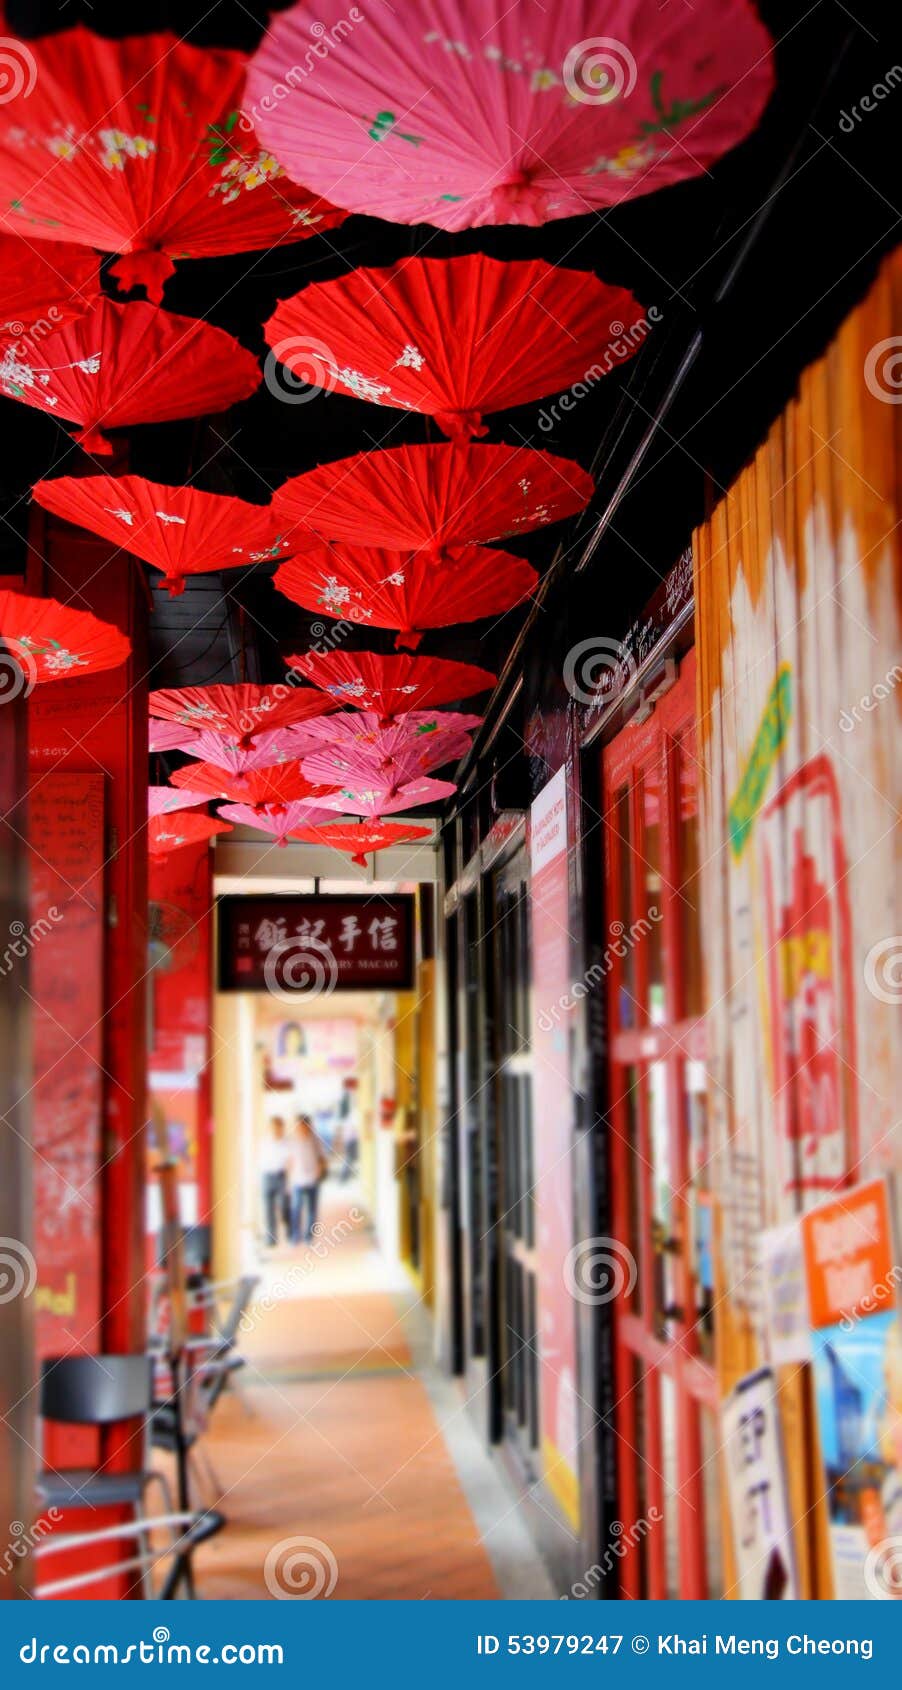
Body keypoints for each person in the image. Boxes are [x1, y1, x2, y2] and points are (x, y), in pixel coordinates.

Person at [288, 1114, 327, 1244]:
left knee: (311, 1209)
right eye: (299, 1125)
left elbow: (322, 1158)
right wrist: (289, 1178)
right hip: (297, 1180)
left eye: (303, 1125)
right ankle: (295, 1236)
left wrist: (319, 1172)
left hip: (312, 1179)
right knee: (296, 1208)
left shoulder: (315, 1140)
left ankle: (309, 1236)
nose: (301, 1127)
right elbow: (289, 1161)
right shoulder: (292, 1141)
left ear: (308, 1126)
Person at [260, 1116, 289, 1247]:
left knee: (284, 1205)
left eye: (278, 1127)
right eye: (273, 1127)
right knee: (268, 1209)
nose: (276, 1130)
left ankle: (289, 1227)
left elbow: (290, 1161)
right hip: (267, 1176)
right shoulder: (264, 1143)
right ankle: (271, 1238)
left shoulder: (286, 1143)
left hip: (281, 1176)